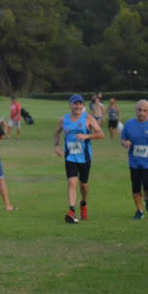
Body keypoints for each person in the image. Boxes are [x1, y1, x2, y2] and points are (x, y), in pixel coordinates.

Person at [53, 94, 104, 223]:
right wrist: (57, 146)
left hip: (85, 158)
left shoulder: (88, 118)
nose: (78, 106)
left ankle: (83, 203)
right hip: (70, 157)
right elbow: (56, 133)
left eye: (80, 103)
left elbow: (101, 134)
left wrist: (86, 136)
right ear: (70, 105)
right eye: (75, 103)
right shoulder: (63, 119)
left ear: (83, 105)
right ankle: (71, 211)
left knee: (84, 186)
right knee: (71, 183)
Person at [120, 100, 148, 220]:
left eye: (144, 110)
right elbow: (122, 139)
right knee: (136, 187)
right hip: (134, 162)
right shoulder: (129, 124)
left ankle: (147, 197)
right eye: (139, 110)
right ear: (135, 110)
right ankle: (139, 211)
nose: (141, 113)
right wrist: (125, 143)